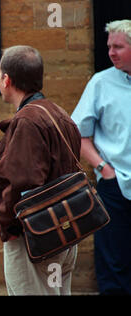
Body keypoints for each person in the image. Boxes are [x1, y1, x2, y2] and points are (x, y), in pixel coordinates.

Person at [0, 45, 81, 295]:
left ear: (6, 79)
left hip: (33, 239)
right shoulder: (59, 114)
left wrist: (9, 228)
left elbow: (23, 182)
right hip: (62, 236)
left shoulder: (27, 120)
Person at [71, 19, 131, 295]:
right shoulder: (100, 83)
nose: (111, 52)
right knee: (113, 265)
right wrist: (104, 169)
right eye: (109, 46)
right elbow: (78, 135)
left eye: (118, 46)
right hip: (115, 187)